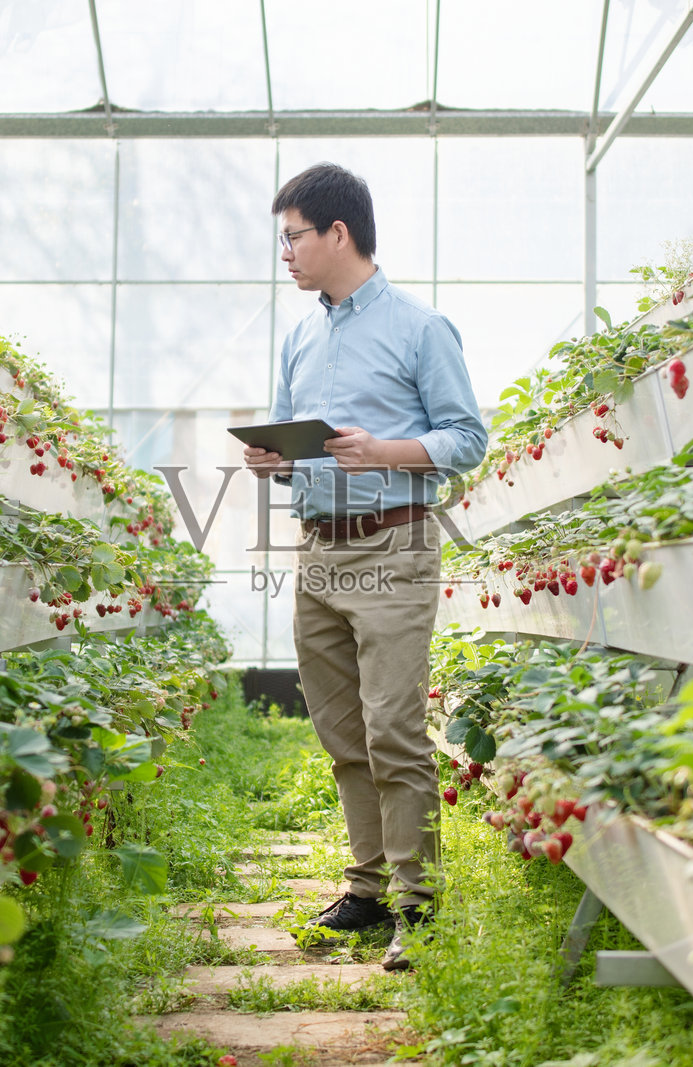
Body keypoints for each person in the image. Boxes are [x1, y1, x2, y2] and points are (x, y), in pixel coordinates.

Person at [243, 163, 487, 971]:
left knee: (393, 728)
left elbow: (466, 437)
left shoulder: (421, 328)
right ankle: (367, 887)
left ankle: (420, 905)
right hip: (320, 549)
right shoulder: (301, 336)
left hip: (393, 542)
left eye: (293, 236)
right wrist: (270, 461)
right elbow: (292, 441)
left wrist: (386, 451)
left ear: (337, 233)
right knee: (343, 728)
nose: (286, 252)